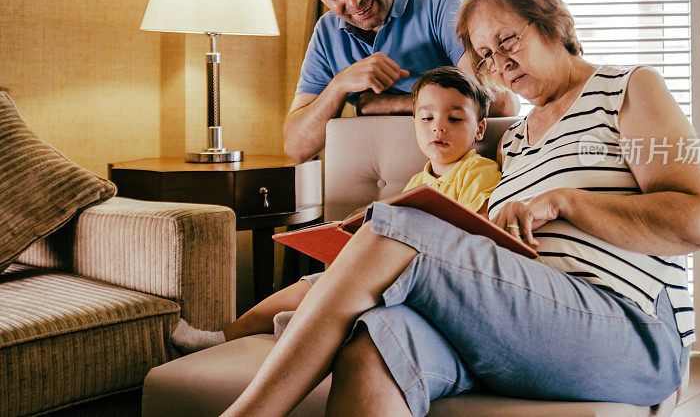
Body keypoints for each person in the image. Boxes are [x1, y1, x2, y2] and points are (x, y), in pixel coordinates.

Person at [222, 0, 700, 417]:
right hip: (518, 324)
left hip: (629, 328)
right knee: (374, 343)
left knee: (397, 228)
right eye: (485, 55)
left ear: (550, 24)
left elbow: (697, 223)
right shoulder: (518, 140)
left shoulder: (627, 89)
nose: (498, 64)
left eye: (508, 42)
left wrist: (568, 201)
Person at [171, 66, 501, 353]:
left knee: (337, 290)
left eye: (454, 118)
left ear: (480, 128)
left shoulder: (478, 171)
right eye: (426, 117)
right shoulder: (419, 180)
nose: (437, 127)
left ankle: (309, 321)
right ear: (414, 122)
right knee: (308, 283)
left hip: (424, 280)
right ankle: (220, 337)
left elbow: (480, 234)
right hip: (383, 272)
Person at [283, 0, 517, 164]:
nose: (353, 1)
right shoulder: (326, 32)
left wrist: (377, 104)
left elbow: (500, 101)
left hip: (459, 178)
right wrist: (340, 85)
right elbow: (296, 148)